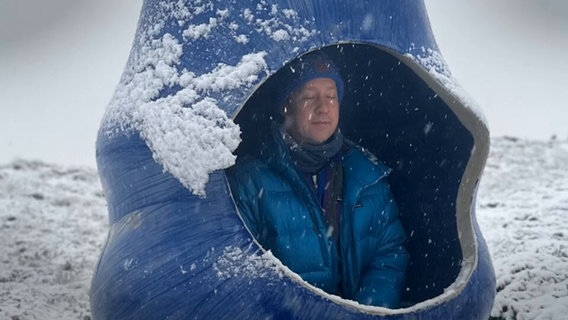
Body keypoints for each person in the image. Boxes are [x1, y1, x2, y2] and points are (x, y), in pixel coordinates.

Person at [227, 51, 409, 308]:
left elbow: (389, 253)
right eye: (310, 96)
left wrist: (366, 311)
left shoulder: (368, 174)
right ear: (286, 105)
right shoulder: (250, 182)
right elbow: (242, 275)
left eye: (332, 96)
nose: (323, 107)